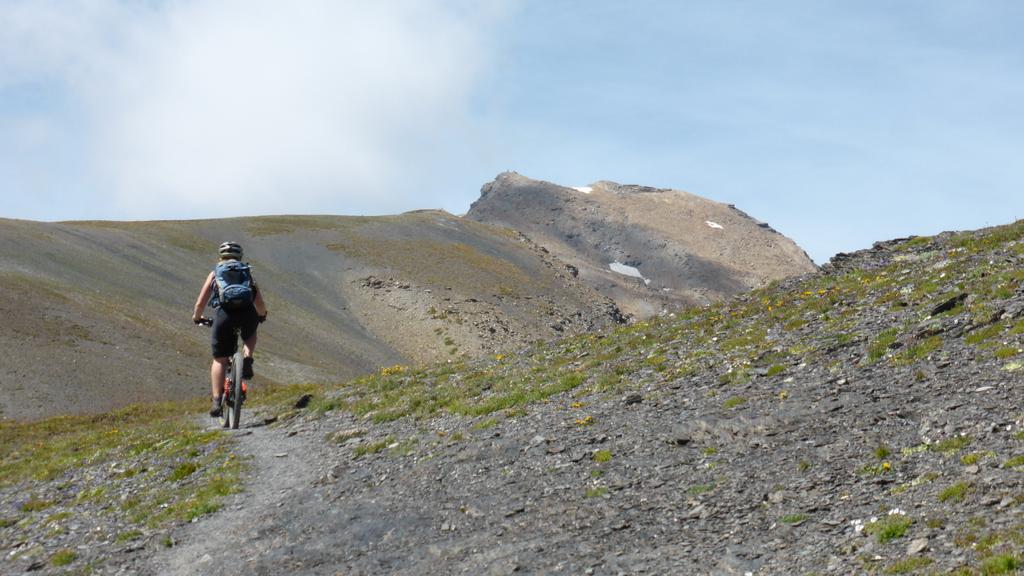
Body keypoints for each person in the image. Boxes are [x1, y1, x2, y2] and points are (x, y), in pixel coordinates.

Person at [192, 241, 267, 417]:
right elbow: (260, 302)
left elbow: (200, 302)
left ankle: (217, 401)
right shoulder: (246, 272)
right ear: (240, 257)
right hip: (247, 313)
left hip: (224, 316)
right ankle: (247, 358)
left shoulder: (215, 274)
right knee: (250, 333)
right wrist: (262, 315)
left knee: (219, 360)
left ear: (221, 257)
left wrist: (197, 318)